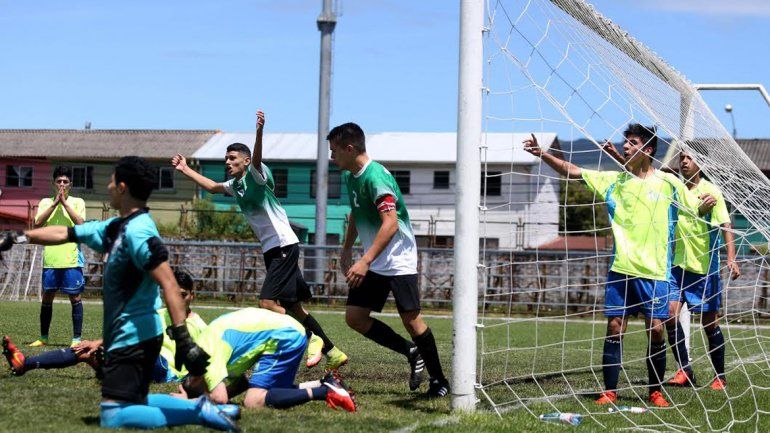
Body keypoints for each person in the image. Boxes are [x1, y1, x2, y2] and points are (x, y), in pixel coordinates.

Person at [0, 156, 237, 431]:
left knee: (113, 414)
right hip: (129, 335)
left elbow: (170, 284)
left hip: (135, 337)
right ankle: (203, 408)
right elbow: (66, 232)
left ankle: (200, 412)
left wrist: (183, 340)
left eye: (112, 180)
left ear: (122, 187)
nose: (109, 185)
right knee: (135, 401)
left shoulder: (139, 232)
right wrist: (18, 237)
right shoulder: (116, 227)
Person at [524, 124, 714, 408]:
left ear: (647, 150)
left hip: (655, 272)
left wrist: (705, 206)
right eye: (625, 142)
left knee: (657, 330)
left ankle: (655, 391)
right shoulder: (614, 180)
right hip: (621, 270)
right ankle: (610, 391)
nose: (625, 147)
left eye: (632, 142)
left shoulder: (668, 183)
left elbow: (693, 207)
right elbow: (572, 170)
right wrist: (543, 155)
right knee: (614, 327)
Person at [171, 110, 347, 371]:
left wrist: (259, 132)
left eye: (232, 158)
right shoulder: (236, 185)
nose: (227, 162)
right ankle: (334, 352)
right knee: (293, 306)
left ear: (246, 161)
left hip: (283, 245)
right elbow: (212, 187)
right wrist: (185, 168)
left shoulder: (256, 175)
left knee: (267, 303)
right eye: (226, 158)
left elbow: (258, 159)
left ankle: (313, 339)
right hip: (273, 249)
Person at [328, 122, 449, 398]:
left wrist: (365, 261)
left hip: (397, 260)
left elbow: (391, 224)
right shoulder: (351, 176)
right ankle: (410, 351)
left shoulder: (376, 177)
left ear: (350, 148)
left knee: (412, 321)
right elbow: (357, 213)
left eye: (334, 150)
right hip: (373, 260)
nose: (331, 156)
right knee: (355, 317)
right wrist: (347, 249)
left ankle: (439, 381)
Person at [3, 269, 207, 385]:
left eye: (183, 295)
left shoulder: (199, 325)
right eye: (172, 293)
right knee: (84, 351)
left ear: (192, 295)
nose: (177, 300)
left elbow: (210, 360)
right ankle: (25, 363)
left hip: (166, 372)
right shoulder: (158, 315)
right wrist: (95, 342)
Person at [174, 307, 356, 413]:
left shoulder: (208, 361)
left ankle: (324, 392)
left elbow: (220, 399)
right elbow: (241, 384)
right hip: (285, 330)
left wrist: (189, 402)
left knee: (253, 401)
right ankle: (326, 383)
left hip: (284, 336)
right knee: (270, 392)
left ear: (198, 378)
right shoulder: (204, 347)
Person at [666, 150, 740, 390]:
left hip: (704, 269)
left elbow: (726, 225)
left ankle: (720, 376)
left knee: (709, 324)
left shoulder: (711, 191)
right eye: (682, 158)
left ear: (701, 163)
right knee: (669, 315)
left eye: (690, 158)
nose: (684, 161)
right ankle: (685, 370)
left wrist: (731, 257)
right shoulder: (676, 189)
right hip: (678, 266)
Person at [31, 166, 86, 347]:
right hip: (51, 259)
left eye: (65, 181)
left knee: (75, 298)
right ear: (54, 183)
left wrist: (65, 204)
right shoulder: (46, 202)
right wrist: (55, 203)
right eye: (59, 181)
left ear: (70, 184)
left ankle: (76, 339)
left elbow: (80, 223)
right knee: (47, 297)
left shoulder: (78, 202)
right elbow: (37, 223)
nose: (62, 184)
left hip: (71, 258)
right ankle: (43, 337)